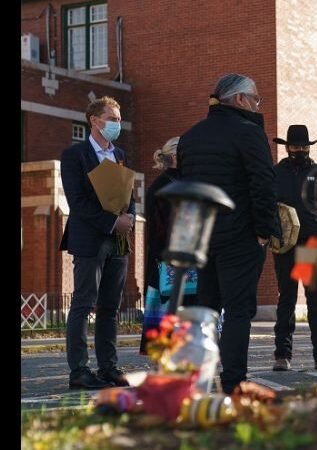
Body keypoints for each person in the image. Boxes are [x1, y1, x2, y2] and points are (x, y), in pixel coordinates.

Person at [177, 73, 279, 394]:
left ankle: (201, 378)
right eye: (255, 98)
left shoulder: (190, 137)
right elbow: (263, 184)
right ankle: (234, 381)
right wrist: (264, 230)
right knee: (237, 310)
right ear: (239, 99)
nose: (256, 104)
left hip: (202, 236)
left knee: (206, 308)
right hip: (240, 234)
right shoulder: (249, 133)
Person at [60, 96, 135, 389]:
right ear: (94, 120)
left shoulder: (120, 154)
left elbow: (129, 194)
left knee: (109, 307)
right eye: (112, 118)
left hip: (118, 241)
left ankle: (109, 367)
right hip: (90, 238)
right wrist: (110, 222)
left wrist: (129, 217)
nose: (117, 123)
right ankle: (79, 370)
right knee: (83, 303)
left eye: (118, 119)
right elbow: (76, 201)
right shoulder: (75, 155)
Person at [271, 125, 317, 371]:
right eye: (295, 146)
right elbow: (267, 206)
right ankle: (282, 355)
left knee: (316, 300)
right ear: (287, 147)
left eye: (303, 146)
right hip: (285, 245)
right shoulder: (276, 173)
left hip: (312, 243)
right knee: (286, 298)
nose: (299, 150)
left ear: (309, 147)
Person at [140, 137, 197, 354]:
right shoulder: (163, 187)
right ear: (174, 156)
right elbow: (161, 229)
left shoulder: (185, 182)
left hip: (184, 258)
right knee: (171, 311)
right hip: (168, 260)